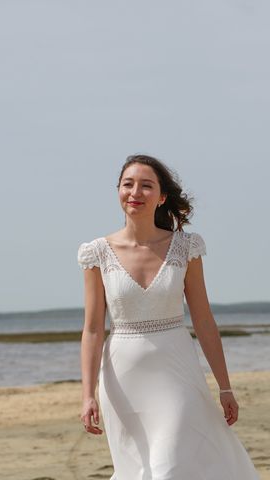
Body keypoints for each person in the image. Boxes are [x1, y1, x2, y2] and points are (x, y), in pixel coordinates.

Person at [76, 154, 259, 478]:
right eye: (127, 184)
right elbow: (92, 329)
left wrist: (225, 387)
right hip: (123, 376)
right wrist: (87, 394)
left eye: (146, 185)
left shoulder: (185, 247)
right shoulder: (97, 253)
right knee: (140, 470)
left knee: (168, 467)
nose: (135, 192)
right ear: (117, 191)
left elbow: (203, 321)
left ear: (161, 197)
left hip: (177, 371)